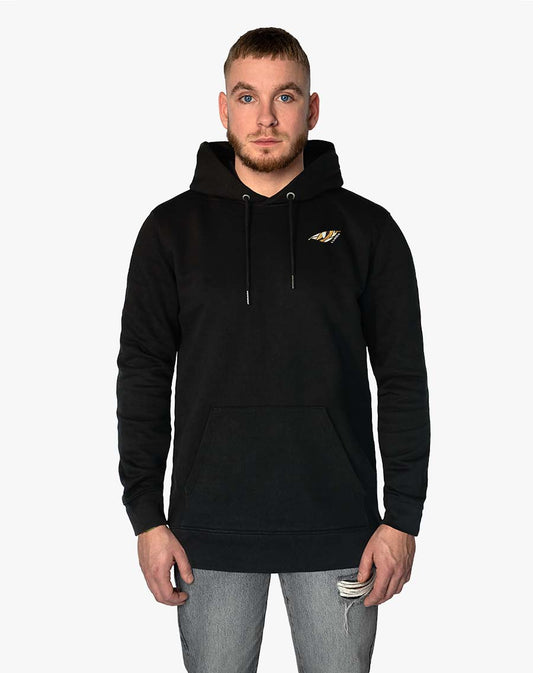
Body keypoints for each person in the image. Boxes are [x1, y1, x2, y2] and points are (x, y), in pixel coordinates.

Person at [116, 26, 430, 673]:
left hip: (342, 534)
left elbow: (402, 379)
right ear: (223, 108)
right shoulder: (170, 231)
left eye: (284, 97)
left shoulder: (366, 229)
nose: (265, 118)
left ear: (311, 109)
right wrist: (146, 517)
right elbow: (142, 376)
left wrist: (402, 519)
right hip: (207, 536)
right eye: (246, 97)